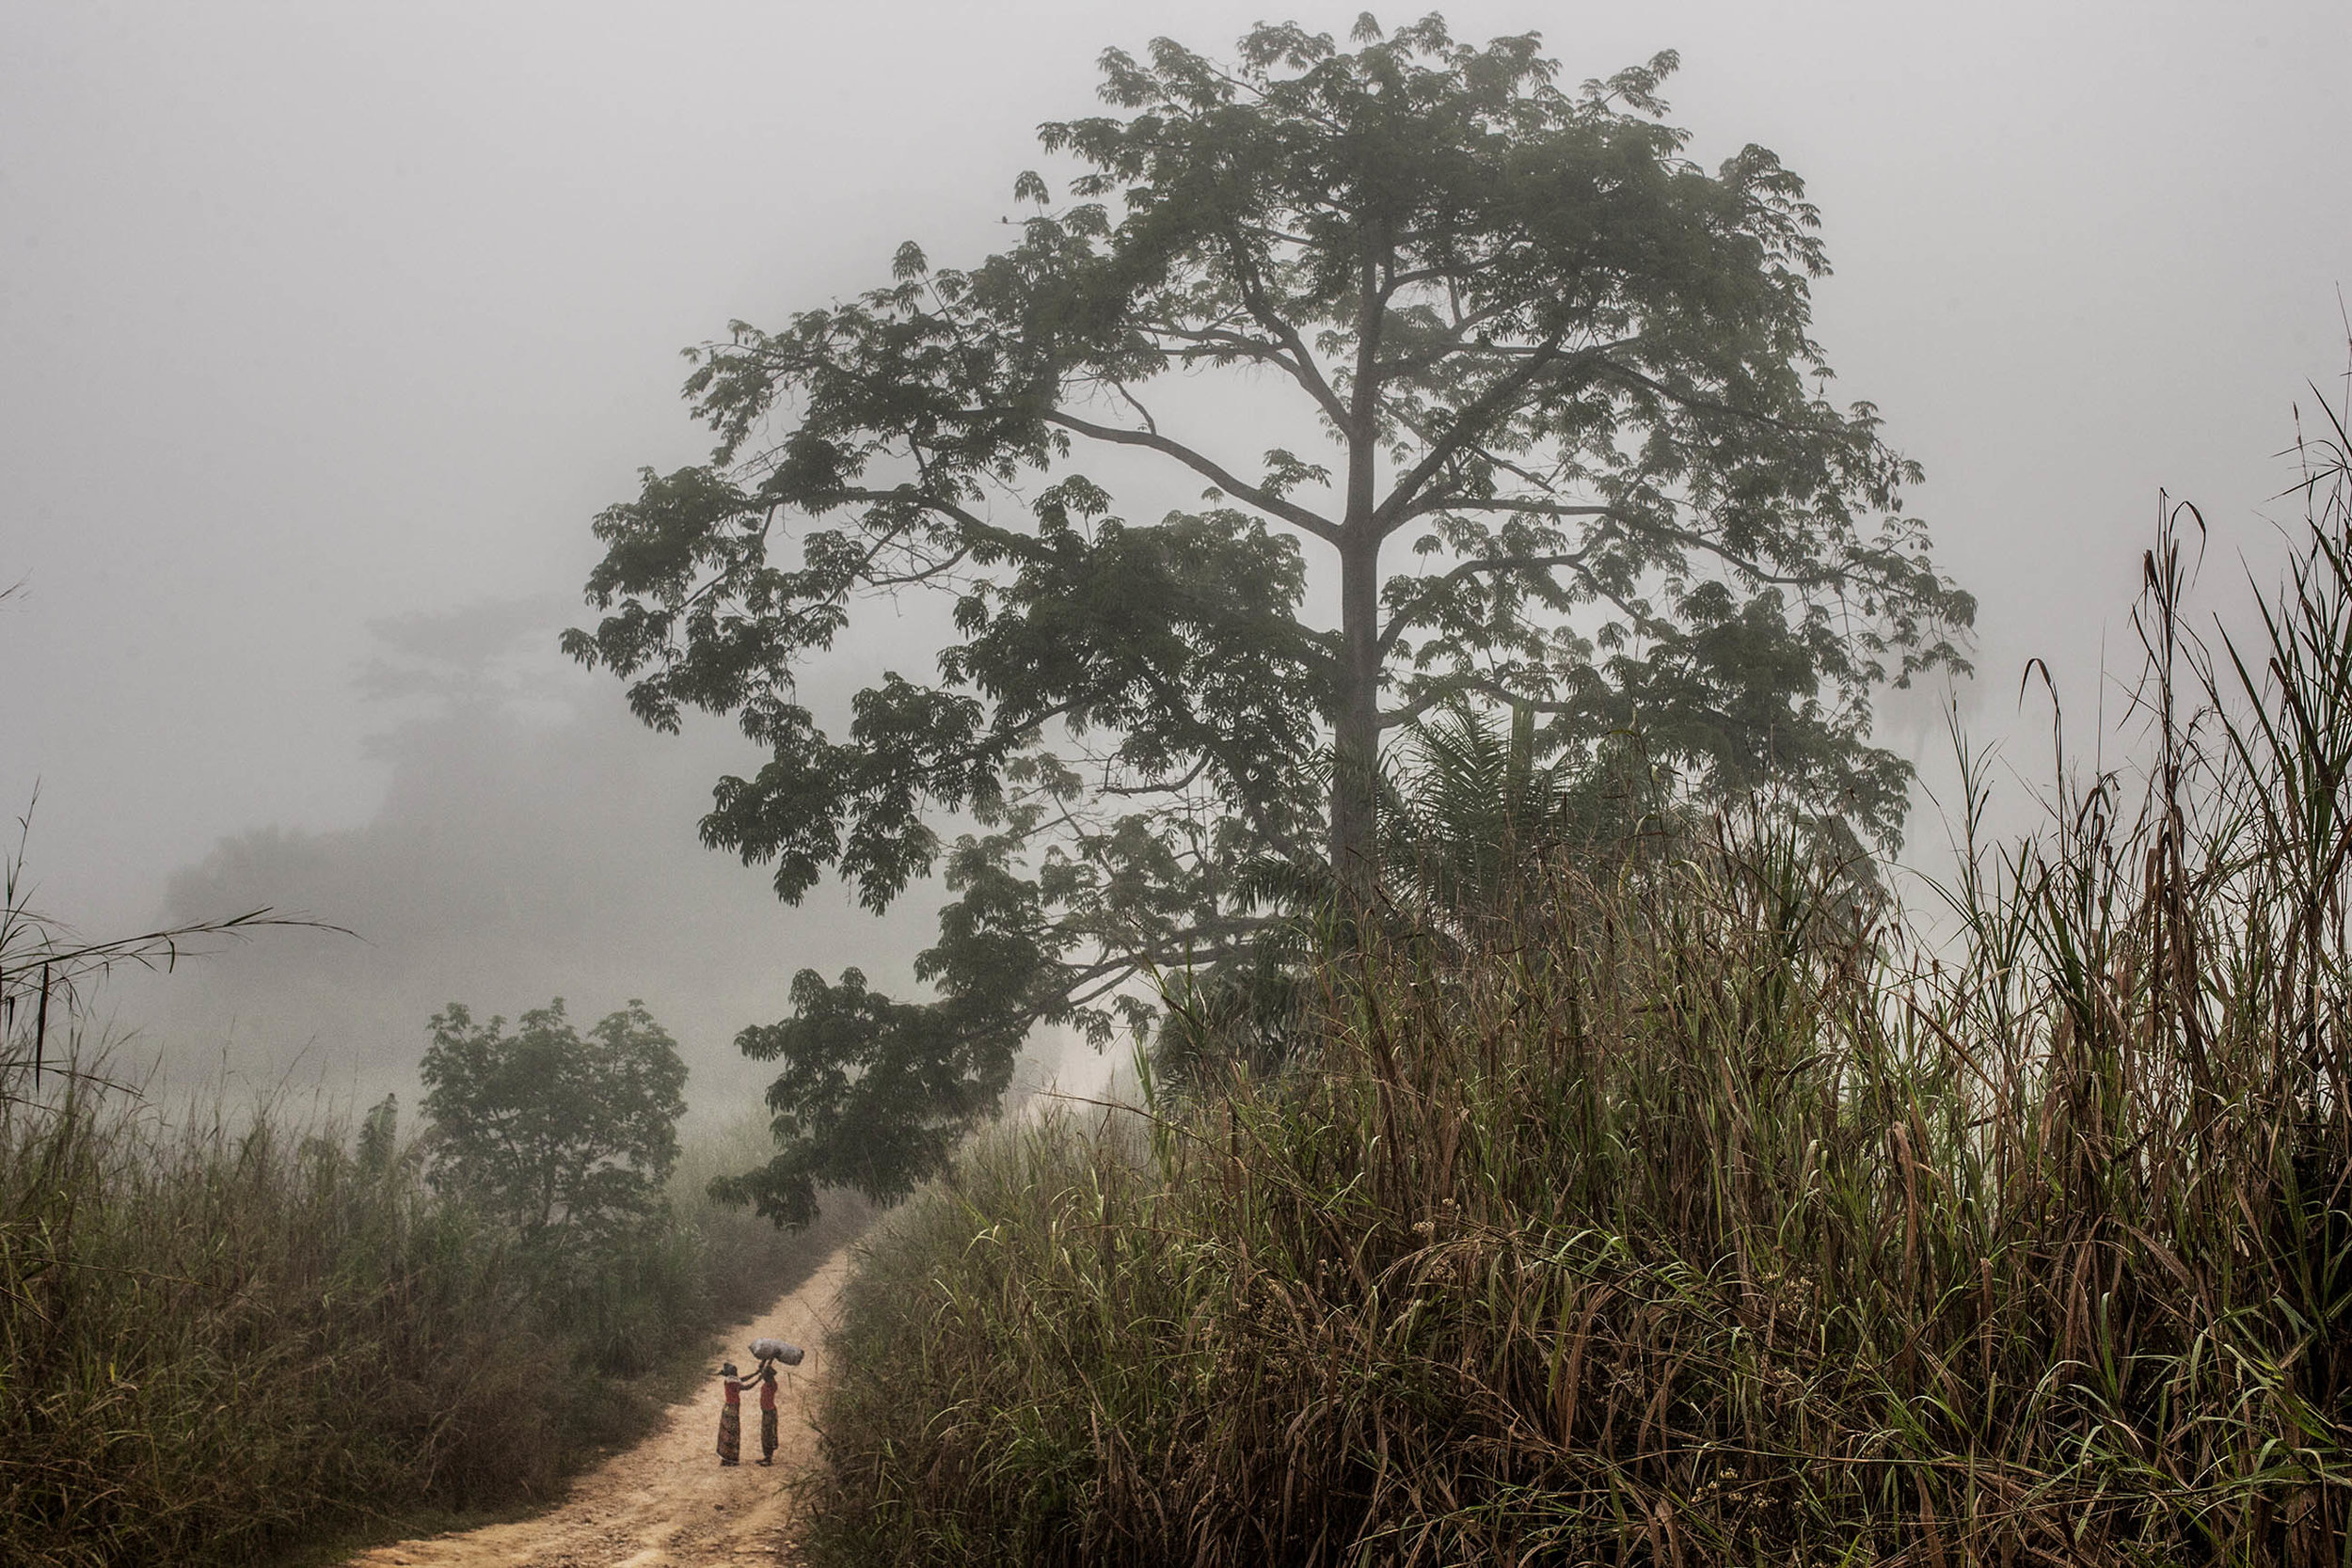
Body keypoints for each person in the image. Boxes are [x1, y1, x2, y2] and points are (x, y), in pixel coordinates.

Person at [715, 1361, 748, 1465]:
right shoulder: (733, 1382)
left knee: (726, 1432)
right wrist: (758, 1378)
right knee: (733, 1433)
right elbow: (746, 1387)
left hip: (728, 1407)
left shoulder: (729, 1380)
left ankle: (725, 1458)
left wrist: (756, 1374)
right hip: (733, 1408)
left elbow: (742, 1380)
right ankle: (730, 1459)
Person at [754, 1359, 782, 1465]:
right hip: (767, 1412)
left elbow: (765, 1370)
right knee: (765, 1435)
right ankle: (767, 1457)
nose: (762, 1376)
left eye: (764, 1374)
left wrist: (768, 1362)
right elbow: (763, 1369)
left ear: (768, 1376)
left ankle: (769, 1458)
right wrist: (767, 1359)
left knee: (768, 1435)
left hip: (769, 1412)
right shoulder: (769, 1382)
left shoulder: (771, 1384)